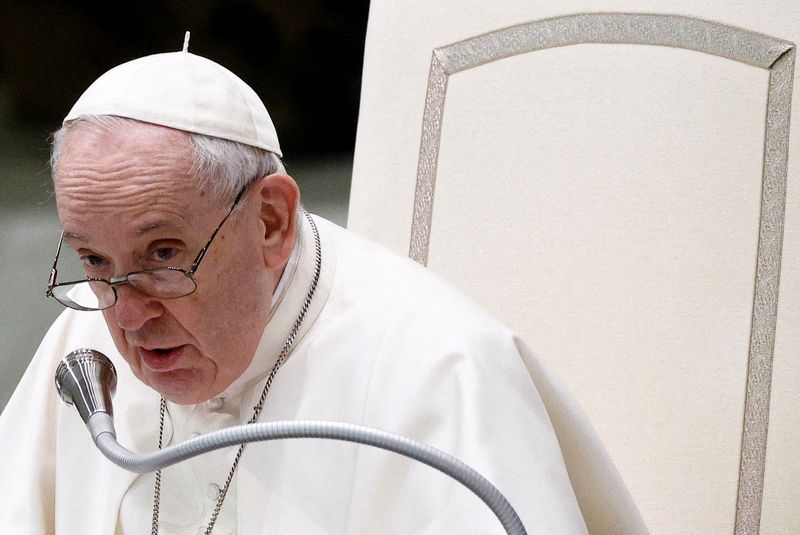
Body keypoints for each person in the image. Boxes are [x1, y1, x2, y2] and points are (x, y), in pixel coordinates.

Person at [0, 45, 644, 534]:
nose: (129, 316)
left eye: (163, 255)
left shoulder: (438, 369)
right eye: (93, 259)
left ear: (271, 221)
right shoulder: (88, 345)